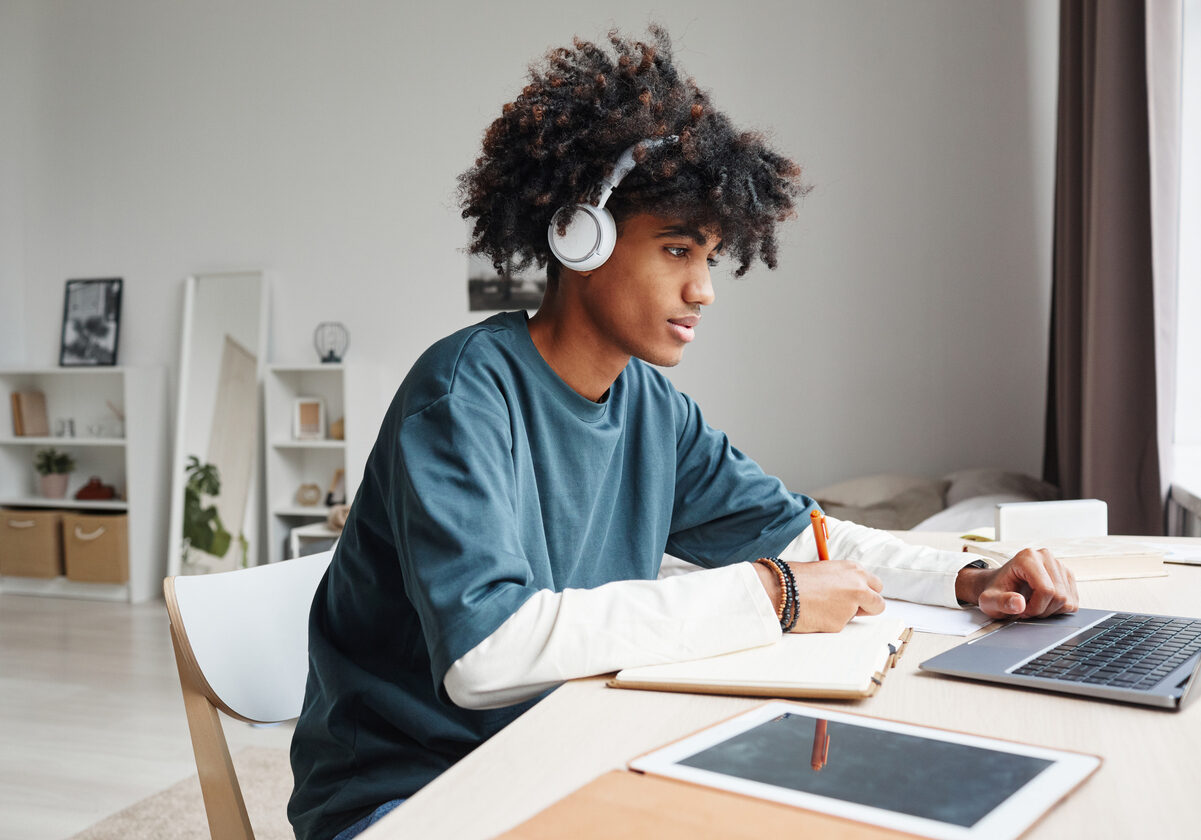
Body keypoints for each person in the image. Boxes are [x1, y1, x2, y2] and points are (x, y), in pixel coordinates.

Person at [287, 27, 1078, 840]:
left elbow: (808, 540)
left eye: (709, 256)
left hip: (559, 757)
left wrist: (969, 578)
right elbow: (485, 655)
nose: (703, 290)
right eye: (675, 250)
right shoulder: (462, 394)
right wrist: (770, 595)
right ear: (578, 237)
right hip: (409, 798)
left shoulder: (651, 408)